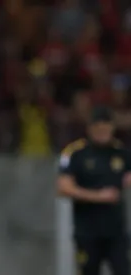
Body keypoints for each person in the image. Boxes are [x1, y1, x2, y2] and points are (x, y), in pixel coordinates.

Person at [57, 107, 131, 275]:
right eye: (98, 128)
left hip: (116, 232)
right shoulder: (76, 153)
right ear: (89, 128)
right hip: (87, 232)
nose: (102, 132)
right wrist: (98, 196)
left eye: (106, 128)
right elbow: (63, 187)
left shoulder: (121, 152)